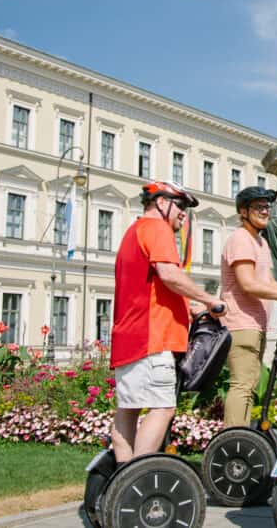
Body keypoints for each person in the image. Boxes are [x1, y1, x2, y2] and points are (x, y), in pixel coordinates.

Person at [110, 181, 226, 464]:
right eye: (181, 205)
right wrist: (210, 300)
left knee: (128, 411)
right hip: (153, 339)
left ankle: (122, 486)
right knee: (162, 409)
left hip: (128, 338)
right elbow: (170, 275)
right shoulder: (157, 229)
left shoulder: (132, 232)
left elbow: (150, 288)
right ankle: (140, 478)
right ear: (162, 203)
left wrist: (190, 307)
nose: (184, 214)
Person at [219, 186, 277, 428]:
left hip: (255, 324)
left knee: (249, 385)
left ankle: (241, 436)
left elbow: (267, 281)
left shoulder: (260, 243)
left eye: (267, 207)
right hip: (240, 324)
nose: (265, 211)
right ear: (243, 212)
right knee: (242, 385)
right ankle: (232, 441)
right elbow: (248, 284)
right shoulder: (241, 239)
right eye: (258, 207)